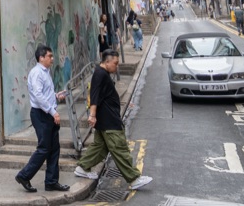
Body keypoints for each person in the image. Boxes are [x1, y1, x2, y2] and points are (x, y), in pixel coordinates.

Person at [74, 50, 153, 190]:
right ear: (107, 61)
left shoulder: (103, 74)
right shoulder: (100, 74)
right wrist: (92, 115)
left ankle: (83, 167)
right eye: (115, 63)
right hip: (109, 121)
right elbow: (95, 95)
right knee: (119, 149)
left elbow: (105, 95)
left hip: (105, 121)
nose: (117, 66)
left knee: (100, 147)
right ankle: (134, 179)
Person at [15, 45, 69, 193]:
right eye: (50, 56)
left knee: (54, 149)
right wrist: (53, 112)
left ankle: (51, 182)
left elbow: (44, 93)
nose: (52, 59)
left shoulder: (45, 72)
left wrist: (56, 95)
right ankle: (24, 175)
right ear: (41, 57)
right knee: (44, 148)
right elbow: (38, 96)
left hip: (47, 114)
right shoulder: (37, 73)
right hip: (41, 115)